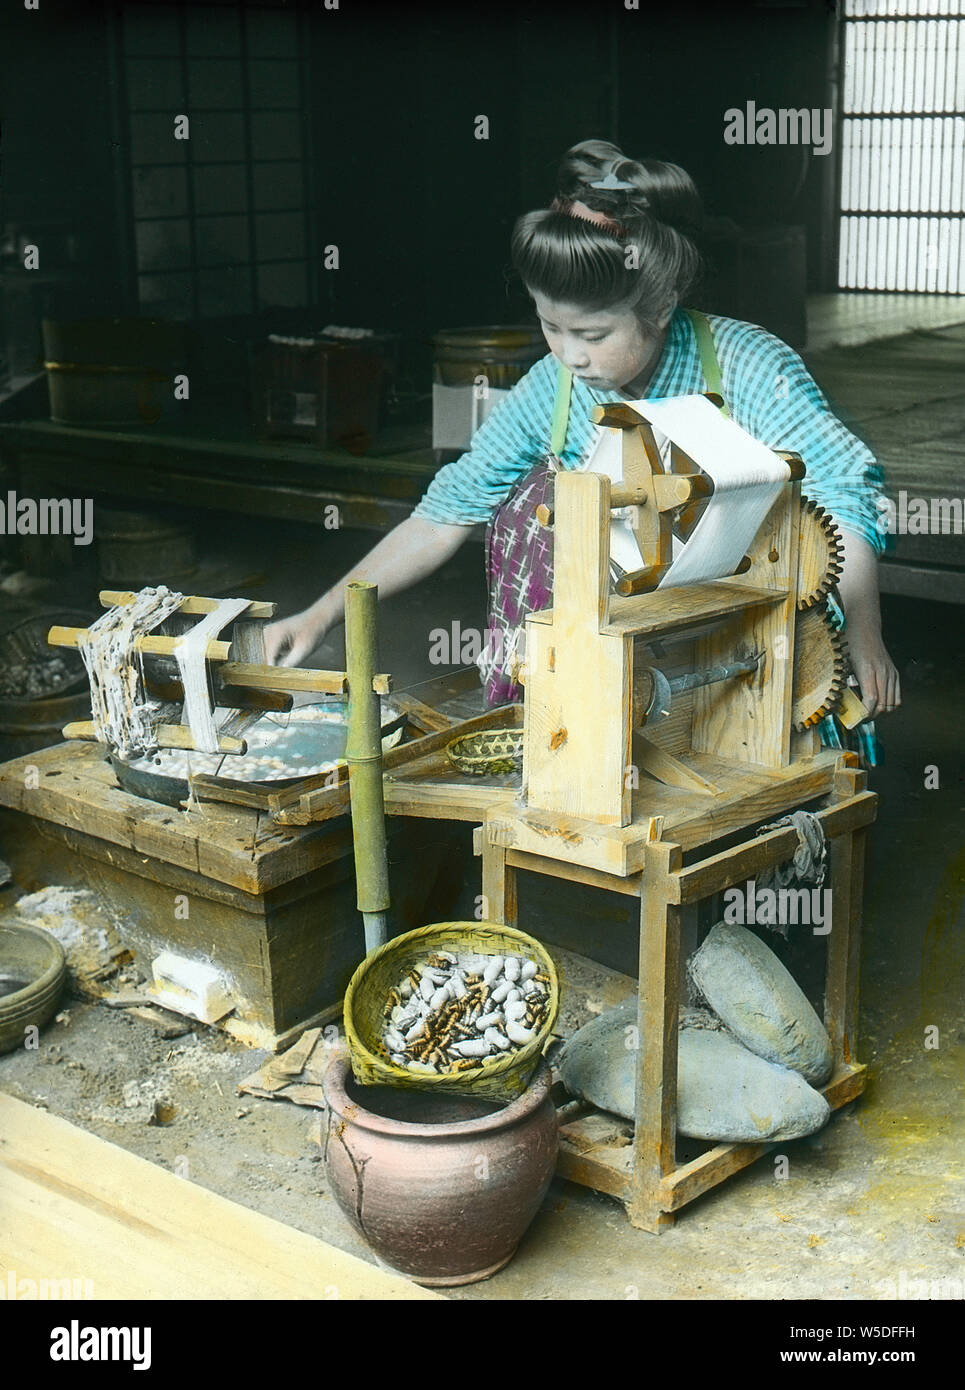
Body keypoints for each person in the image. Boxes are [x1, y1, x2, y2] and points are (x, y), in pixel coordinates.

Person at [265, 138, 900, 728]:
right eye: (551, 326)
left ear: (661, 305)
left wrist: (865, 635)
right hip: (623, 630)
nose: (570, 354)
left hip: (752, 626)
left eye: (593, 335)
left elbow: (844, 497)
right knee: (530, 504)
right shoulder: (554, 387)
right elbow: (443, 516)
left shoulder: (747, 362)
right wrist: (322, 613)